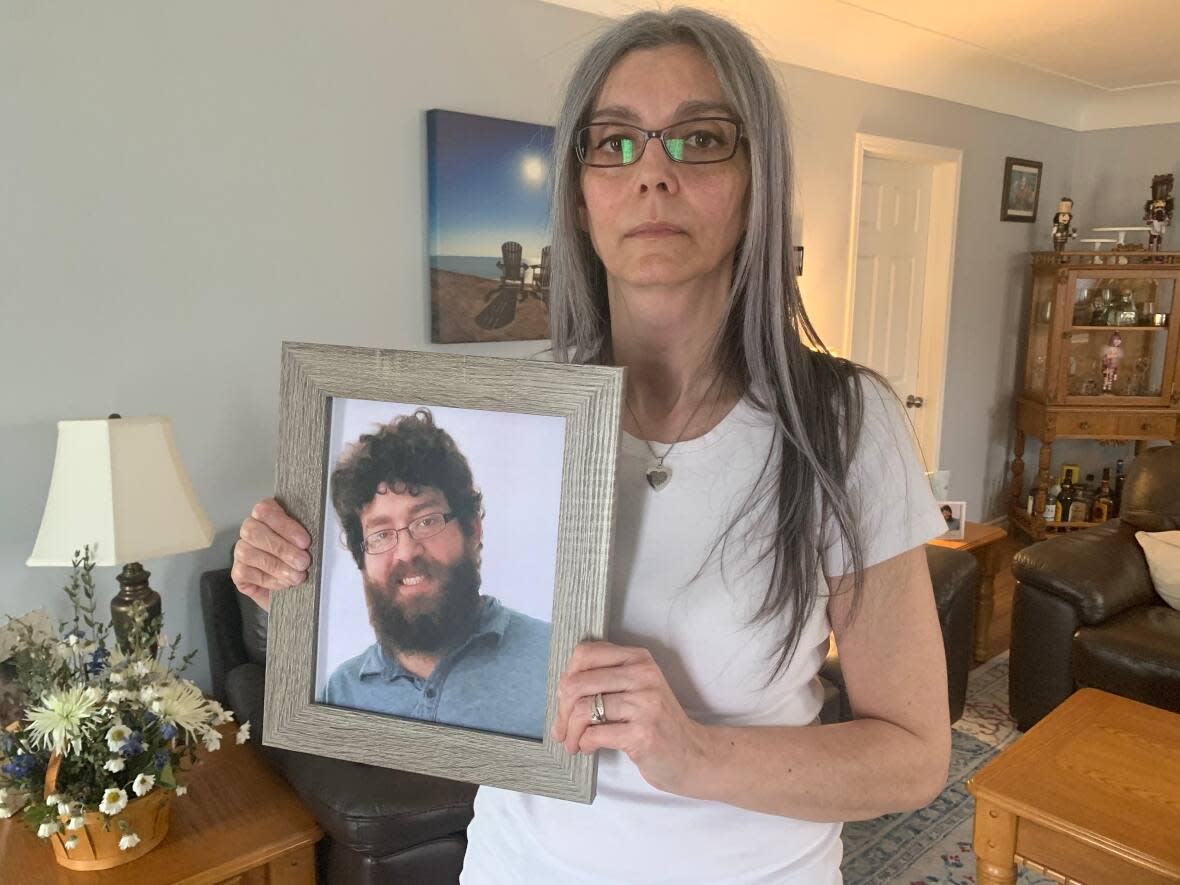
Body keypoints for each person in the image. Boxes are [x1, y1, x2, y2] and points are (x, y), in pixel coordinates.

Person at [231, 9, 952, 882]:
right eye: (614, 143)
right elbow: (421, 650)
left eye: (700, 138)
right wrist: (300, 584)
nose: (653, 173)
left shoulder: (840, 423)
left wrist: (695, 753)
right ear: (579, 193)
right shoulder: (514, 422)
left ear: (759, 180)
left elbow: (914, 757)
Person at [320, 408, 550, 739]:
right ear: (362, 558)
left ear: (473, 529)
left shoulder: (555, 660)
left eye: (426, 521)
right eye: (381, 534)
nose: (406, 551)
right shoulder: (340, 693)